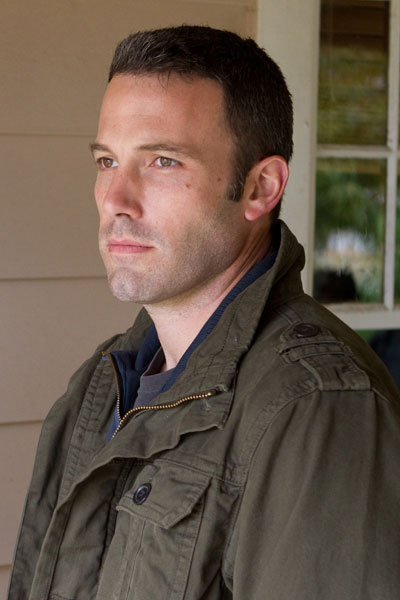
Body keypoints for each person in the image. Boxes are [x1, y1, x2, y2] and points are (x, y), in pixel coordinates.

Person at [8, 25, 400, 600]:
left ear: (261, 187)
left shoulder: (318, 406)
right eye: (107, 160)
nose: (115, 200)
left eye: (162, 161)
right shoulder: (103, 382)